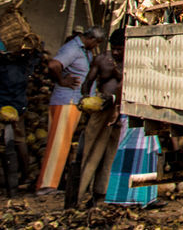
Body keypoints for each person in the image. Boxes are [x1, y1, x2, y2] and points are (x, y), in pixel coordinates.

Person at [36, 26, 103, 195]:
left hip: (73, 101)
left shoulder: (83, 50)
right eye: (97, 43)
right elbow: (53, 64)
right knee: (58, 143)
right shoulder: (72, 48)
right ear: (92, 39)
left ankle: (52, 183)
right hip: (66, 100)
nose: (96, 47)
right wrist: (62, 81)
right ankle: (46, 185)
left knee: (63, 143)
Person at [77, 29, 124, 207]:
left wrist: (117, 108)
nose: (117, 52)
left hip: (117, 111)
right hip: (101, 109)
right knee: (90, 151)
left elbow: (122, 86)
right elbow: (87, 82)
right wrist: (84, 99)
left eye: (120, 49)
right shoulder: (101, 60)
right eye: (114, 49)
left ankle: (100, 195)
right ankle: (79, 194)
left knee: (110, 154)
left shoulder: (129, 61)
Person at [0, 39, 38, 190]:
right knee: (20, 141)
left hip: (3, 109)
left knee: (8, 146)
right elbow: (37, 56)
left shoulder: (3, 68)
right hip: (19, 108)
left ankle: (12, 184)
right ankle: (26, 175)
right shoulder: (22, 65)